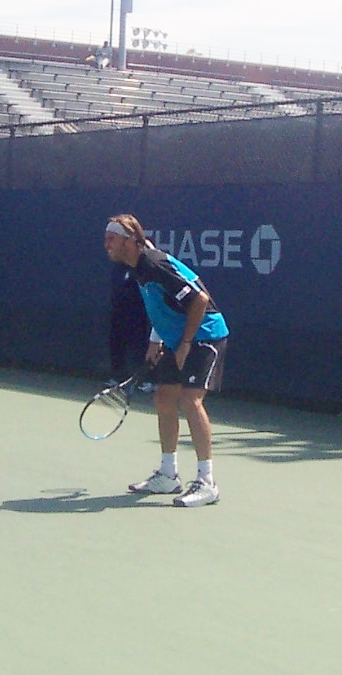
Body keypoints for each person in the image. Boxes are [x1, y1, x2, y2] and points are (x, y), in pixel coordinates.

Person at [104, 214, 229, 507]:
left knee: (190, 400)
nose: (106, 244)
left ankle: (207, 482)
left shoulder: (154, 264)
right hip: (178, 338)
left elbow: (199, 300)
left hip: (205, 335)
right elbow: (162, 304)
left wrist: (185, 344)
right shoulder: (137, 265)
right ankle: (168, 474)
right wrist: (155, 340)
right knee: (164, 397)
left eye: (111, 239)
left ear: (129, 241)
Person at [108, 261, 153, 391]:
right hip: (118, 314)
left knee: (139, 348)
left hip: (137, 316)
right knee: (116, 346)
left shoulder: (142, 269)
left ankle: (144, 380)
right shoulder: (119, 268)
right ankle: (117, 378)